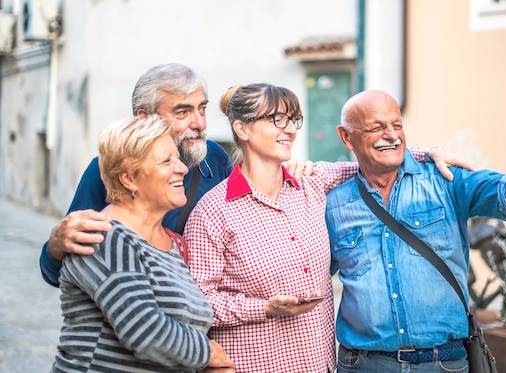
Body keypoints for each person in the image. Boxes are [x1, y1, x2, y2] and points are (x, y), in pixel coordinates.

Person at [38, 63, 473, 288]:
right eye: (183, 112)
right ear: (144, 118)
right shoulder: (109, 170)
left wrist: (420, 152)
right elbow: (60, 270)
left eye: (203, 109)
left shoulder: (213, 159)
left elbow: (343, 167)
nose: (199, 123)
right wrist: (56, 246)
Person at [182, 83, 475, 373]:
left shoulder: (313, 182)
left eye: (293, 120)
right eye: (277, 120)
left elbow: (376, 159)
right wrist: (264, 308)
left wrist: (430, 153)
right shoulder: (212, 212)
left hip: (319, 365)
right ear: (242, 129)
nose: (290, 129)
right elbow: (197, 302)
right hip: (252, 364)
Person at [325, 90, 506, 373]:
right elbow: (309, 270)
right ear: (346, 137)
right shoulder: (333, 203)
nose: (391, 135)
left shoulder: (445, 179)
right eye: (376, 127)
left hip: (442, 363)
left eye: (396, 125)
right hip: (364, 364)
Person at [51, 115, 235, 372]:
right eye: (166, 161)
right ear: (129, 178)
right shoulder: (107, 237)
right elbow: (145, 330)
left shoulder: (171, 246)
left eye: (178, 159)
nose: (182, 168)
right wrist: (208, 353)